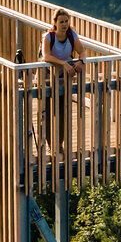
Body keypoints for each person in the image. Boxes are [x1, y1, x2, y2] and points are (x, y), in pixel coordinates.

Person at [41, 10, 85, 148]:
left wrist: (81, 62)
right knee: (46, 112)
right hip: (47, 78)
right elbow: (46, 56)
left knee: (63, 111)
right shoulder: (48, 37)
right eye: (61, 22)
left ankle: (59, 144)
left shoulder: (72, 35)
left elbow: (82, 51)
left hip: (64, 78)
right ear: (55, 23)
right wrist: (63, 63)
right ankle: (48, 143)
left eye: (66, 21)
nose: (64, 24)